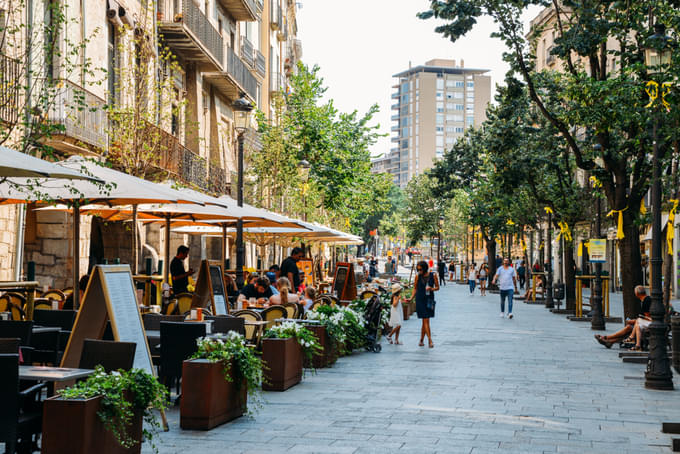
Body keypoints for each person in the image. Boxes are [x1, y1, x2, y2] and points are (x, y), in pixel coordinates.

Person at [410, 260, 439, 348]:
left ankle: (421, 340)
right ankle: (430, 340)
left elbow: (437, 288)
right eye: (418, 270)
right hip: (420, 300)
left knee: (425, 321)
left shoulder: (433, 275)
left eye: (421, 269)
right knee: (426, 320)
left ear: (425, 268)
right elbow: (415, 288)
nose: (419, 271)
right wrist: (411, 298)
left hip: (429, 299)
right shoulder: (417, 277)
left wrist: (431, 289)